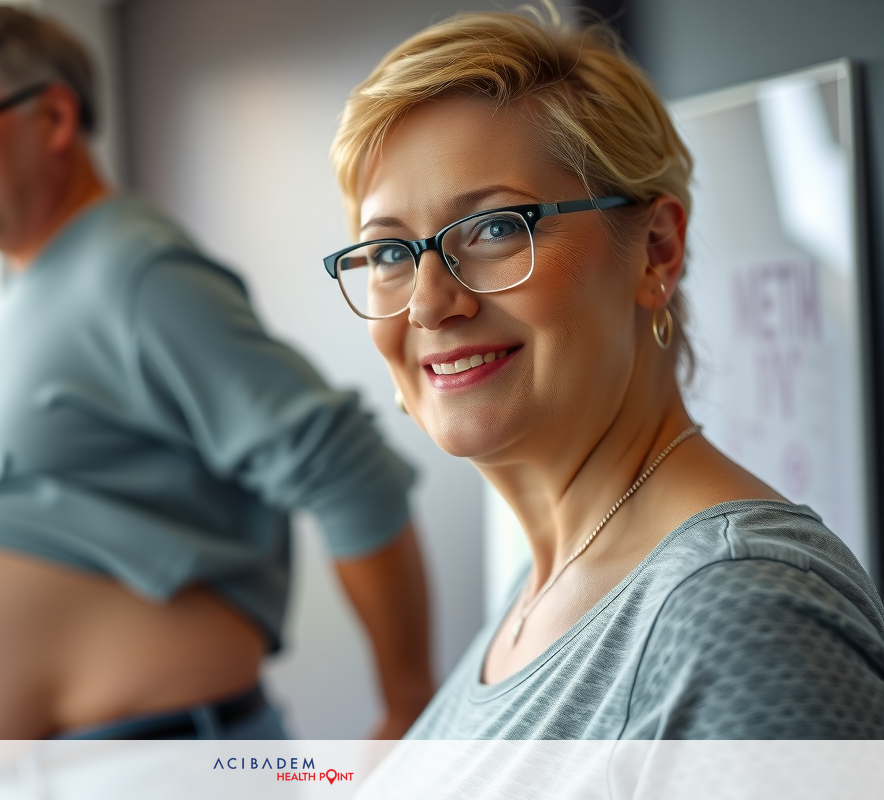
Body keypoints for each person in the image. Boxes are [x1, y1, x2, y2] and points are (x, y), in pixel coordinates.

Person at [0, 4, 433, 740]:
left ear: (54, 118)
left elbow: (347, 471)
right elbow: (41, 530)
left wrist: (409, 713)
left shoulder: (136, 272)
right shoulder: (25, 294)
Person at [321, 7, 884, 751]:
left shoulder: (738, 611)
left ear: (655, 250)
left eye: (496, 228)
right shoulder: (545, 588)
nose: (429, 302)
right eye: (389, 252)